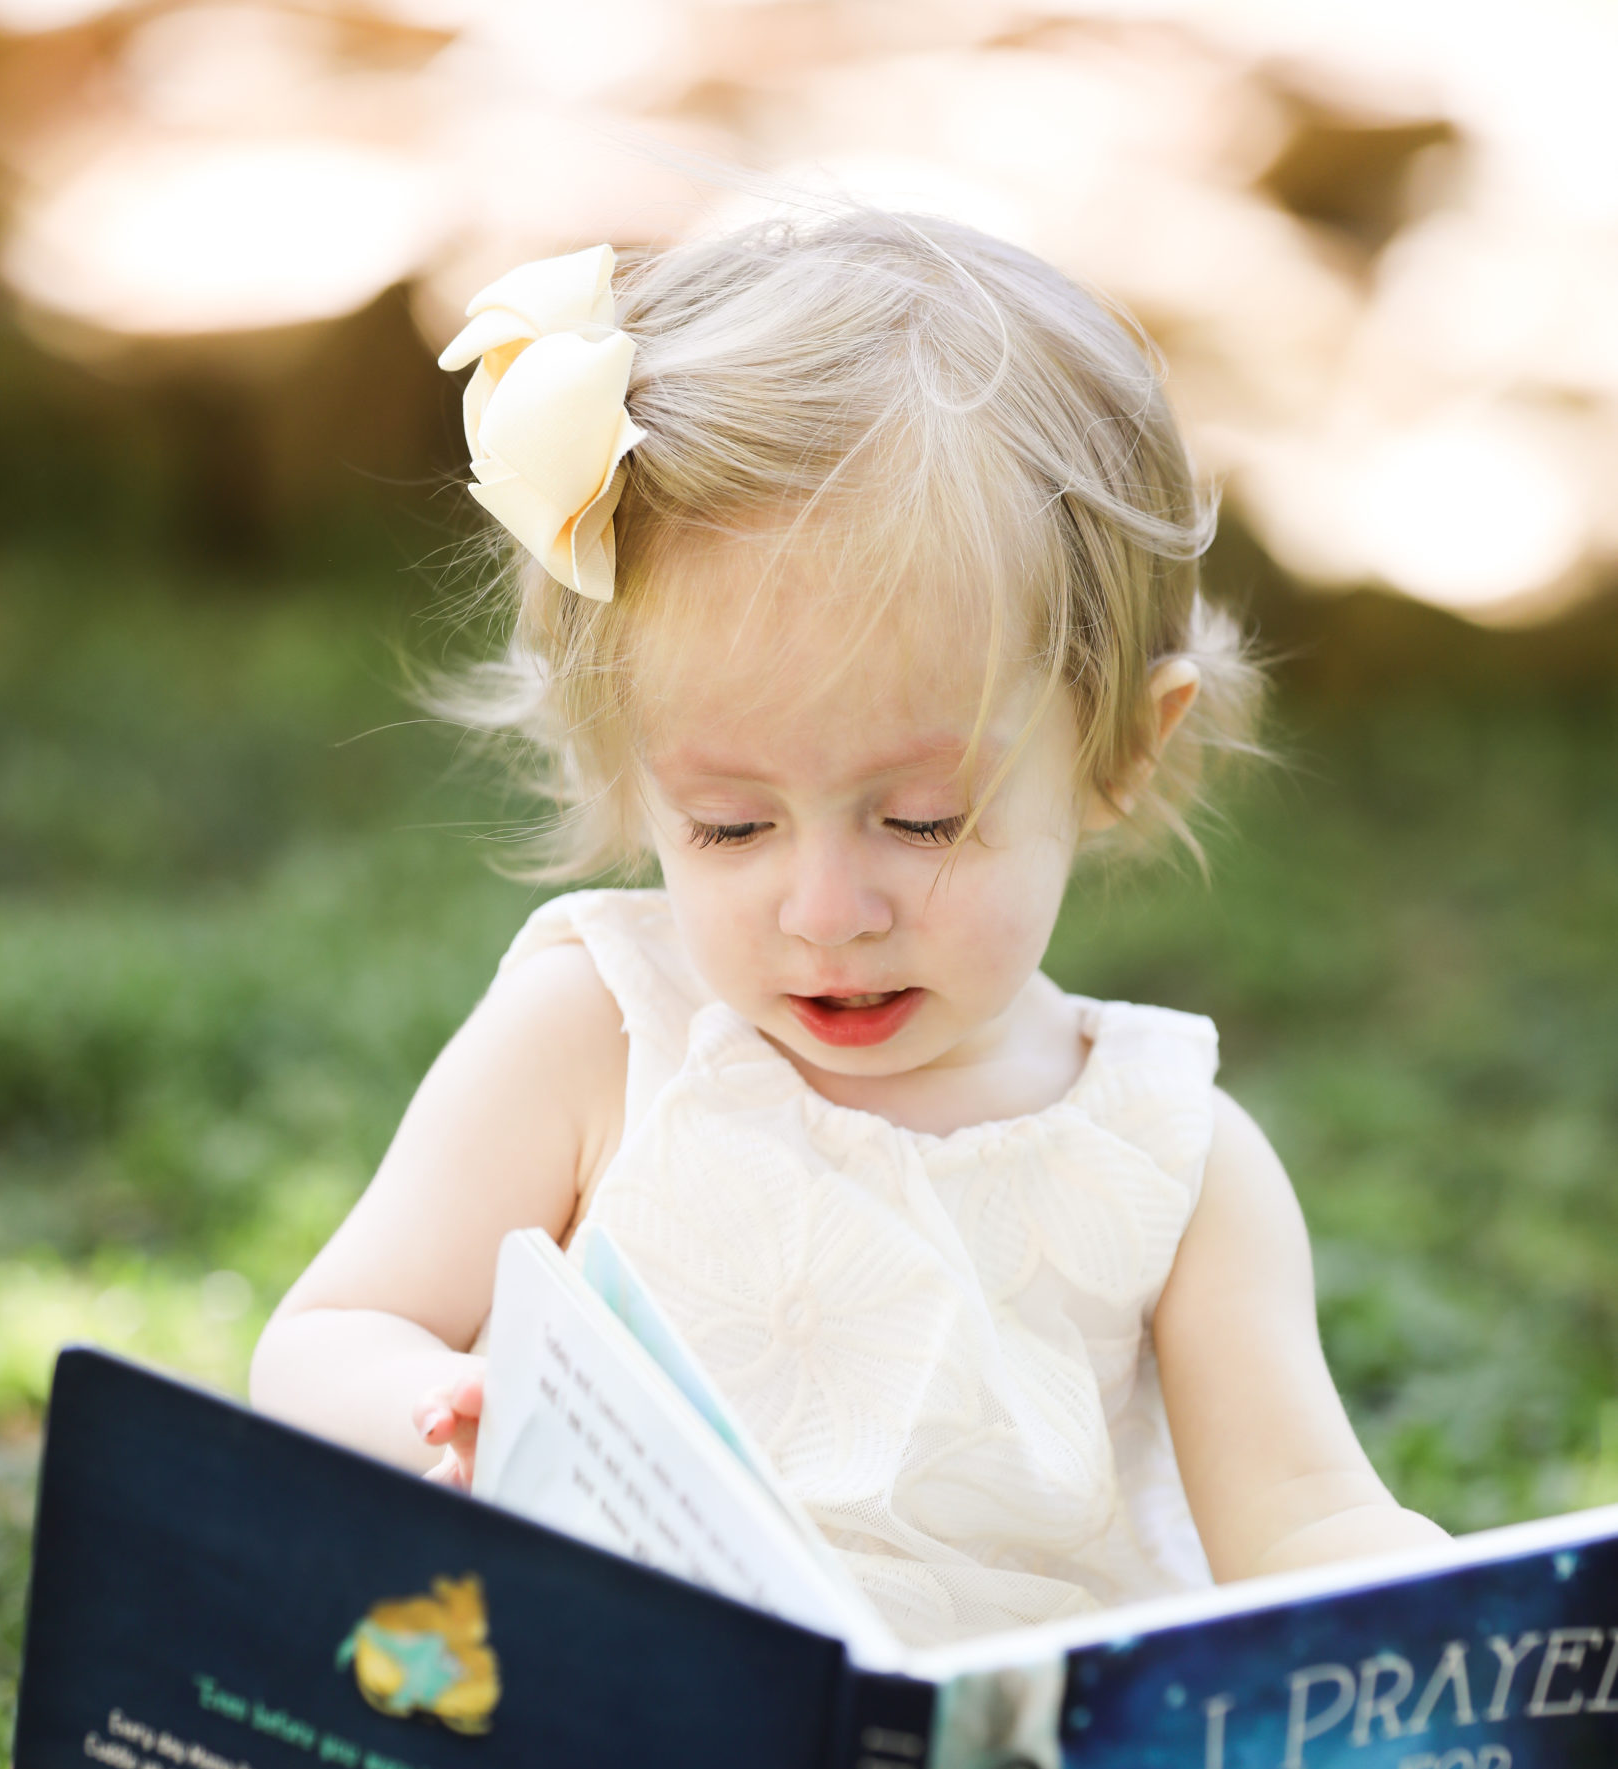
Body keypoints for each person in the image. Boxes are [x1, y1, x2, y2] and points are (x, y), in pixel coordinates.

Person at [250, 212, 1446, 1651]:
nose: (826, 914)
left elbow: (1304, 1517)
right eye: (732, 827)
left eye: (926, 821)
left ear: (1124, 746)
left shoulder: (1175, 1160)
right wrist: (437, 1412)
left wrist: (1435, 1598)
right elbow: (323, 1342)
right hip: (604, 1732)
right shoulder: (599, 1035)